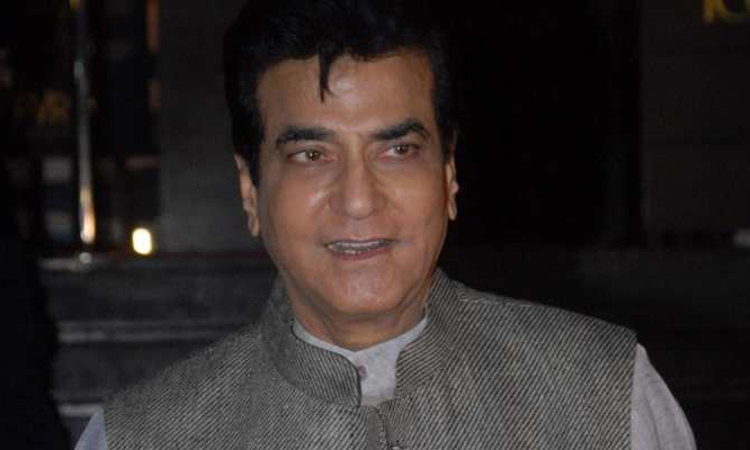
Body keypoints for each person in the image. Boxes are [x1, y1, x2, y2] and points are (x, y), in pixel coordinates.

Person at [76, 1, 695, 448]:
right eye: (311, 155)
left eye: (397, 150)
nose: (358, 200)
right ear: (249, 189)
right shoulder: (142, 436)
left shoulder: (605, 396)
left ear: (449, 175)